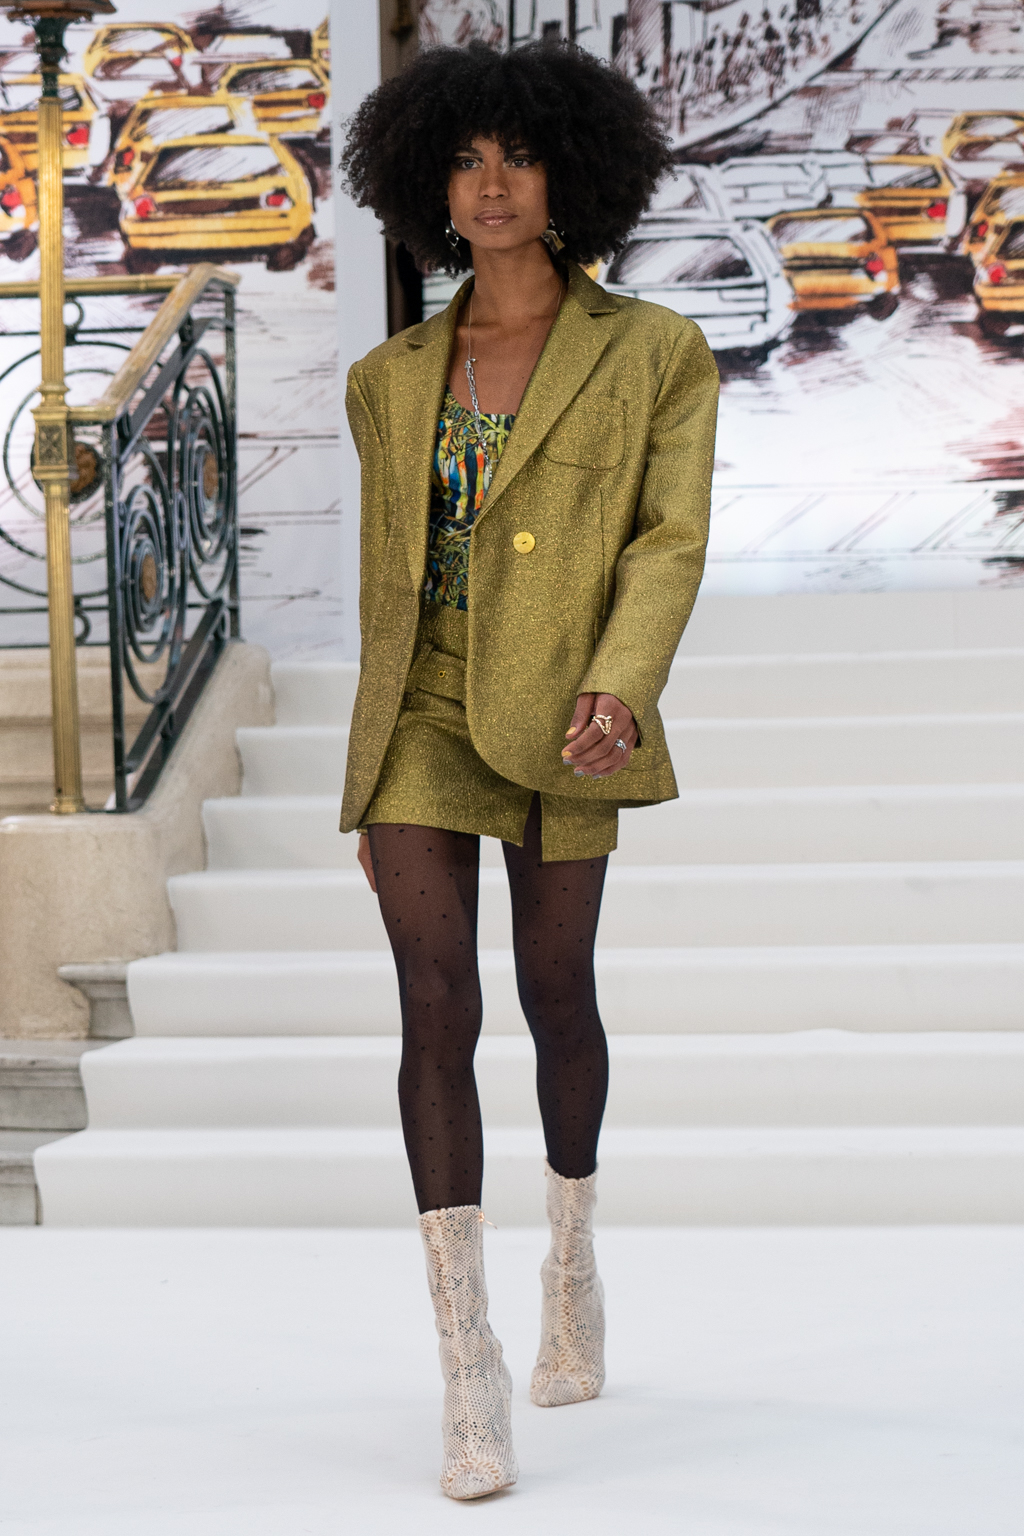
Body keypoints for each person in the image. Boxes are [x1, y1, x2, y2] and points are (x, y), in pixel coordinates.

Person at [340, 39, 719, 1500]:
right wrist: (366, 769)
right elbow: (389, 587)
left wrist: (623, 681)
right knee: (435, 1002)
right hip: (422, 718)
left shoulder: (653, 351)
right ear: (428, 186)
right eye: (463, 160)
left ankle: (571, 1256)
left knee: (559, 995)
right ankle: (467, 1359)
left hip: (569, 710)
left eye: (519, 156)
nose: (490, 185)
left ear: (573, 175)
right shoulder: (387, 379)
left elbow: (668, 541)